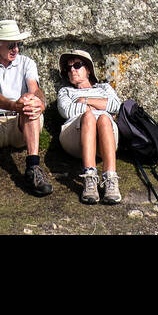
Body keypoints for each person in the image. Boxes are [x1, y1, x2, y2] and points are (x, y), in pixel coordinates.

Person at [0, 19, 53, 207]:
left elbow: (35, 88)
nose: (16, 49)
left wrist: (39, 102)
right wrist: (15, 105)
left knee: (31, 100)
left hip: (19, 125)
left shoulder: (26, 63)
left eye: (18, 44)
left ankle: (33, 167)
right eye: (11, 45)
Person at [56, 49, 122, 205]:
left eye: (77, 65)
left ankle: (111, 178)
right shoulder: (65, 91)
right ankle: (89, 177)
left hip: (106, 136)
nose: (72, 70)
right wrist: (98, 107)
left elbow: (116, 106)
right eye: (68, 68)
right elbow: (67, 111)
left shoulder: (104, 88)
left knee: (104, 119)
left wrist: (85, 100)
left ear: (88, 69)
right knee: (89, 117)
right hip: (75, 137)